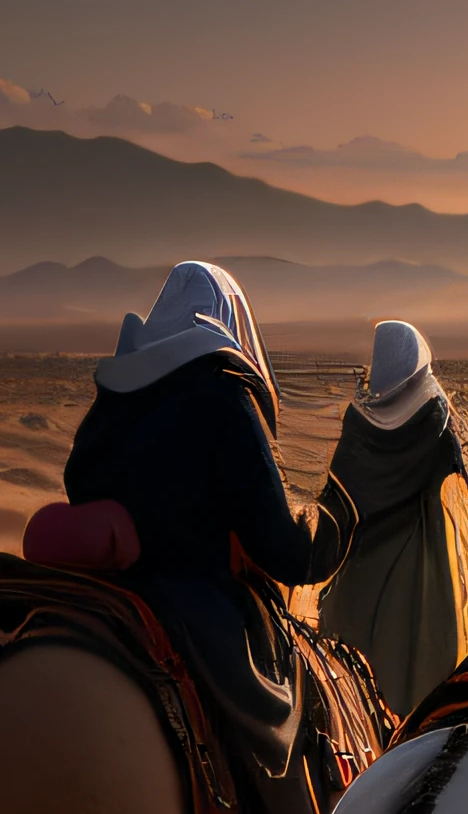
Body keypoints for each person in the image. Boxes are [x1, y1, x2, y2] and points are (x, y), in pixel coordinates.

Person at [61, 260, 354, 775]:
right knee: (273, 734)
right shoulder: (222, 393)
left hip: (97, 590)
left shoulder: (114, 396)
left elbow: (78, 478)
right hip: (193, 601)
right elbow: (281, 550)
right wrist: (333, 528)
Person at [317, 321, 468, 717]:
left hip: (358, 576)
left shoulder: (358, 422)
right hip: (419, 574)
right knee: (417, 689)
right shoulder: (435, 416)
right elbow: (463, 486)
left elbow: (336, 502)